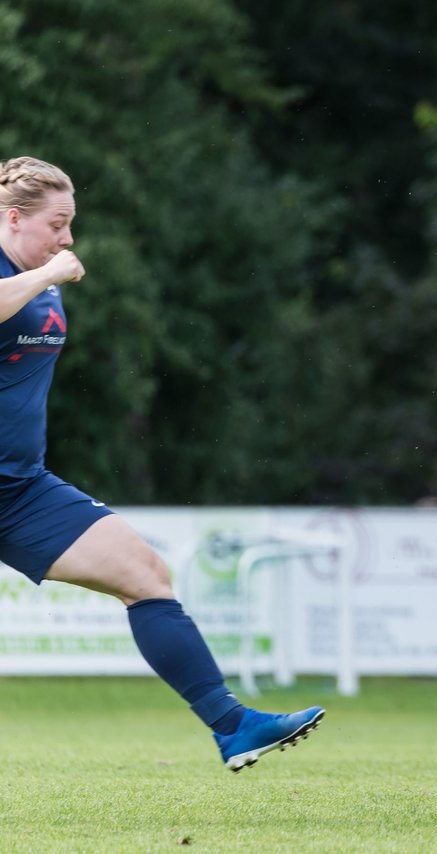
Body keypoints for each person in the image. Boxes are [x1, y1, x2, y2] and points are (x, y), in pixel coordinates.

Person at [0, 156, 323, 771]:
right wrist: (48, 276)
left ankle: (233, 727)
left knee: (146, 575)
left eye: (71, 226)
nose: (68, 239)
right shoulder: (29, 278)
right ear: (13, 219)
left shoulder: (35, 275)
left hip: (18, 490)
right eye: (57, 224)